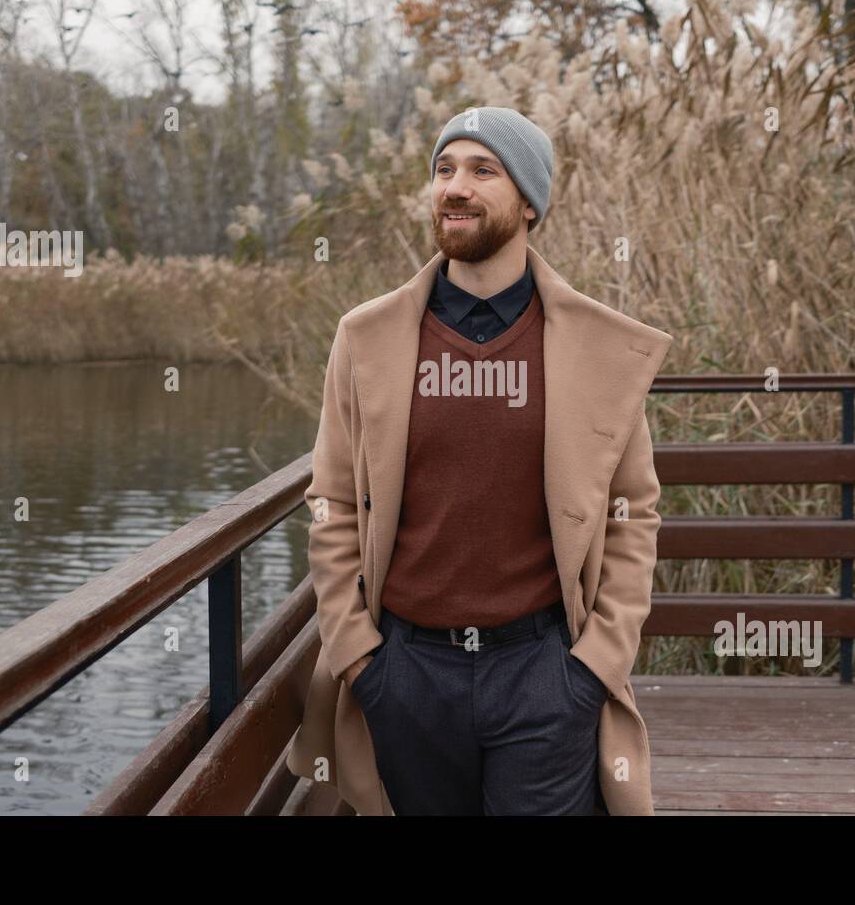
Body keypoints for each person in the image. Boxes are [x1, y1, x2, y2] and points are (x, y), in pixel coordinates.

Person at [286, 106, 673, 815]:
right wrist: (361, 658)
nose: (453, 187)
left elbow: (634, 511)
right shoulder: (368, 338)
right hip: (405, 673)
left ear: (529, 202)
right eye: (443, 170)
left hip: (543, 671)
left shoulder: (593, 347)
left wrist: (593, 667)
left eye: (481, 170)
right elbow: (333, 502)